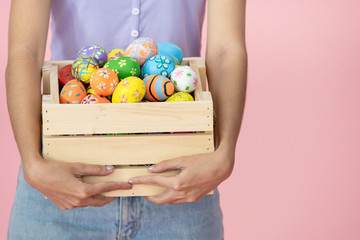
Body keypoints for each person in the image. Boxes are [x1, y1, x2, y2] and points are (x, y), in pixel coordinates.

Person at [6, 0, 247, 239]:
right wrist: (32, 162)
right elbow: (25, 51)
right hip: (60, 179)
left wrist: (224, 152)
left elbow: (226, 49)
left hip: (180, 184)